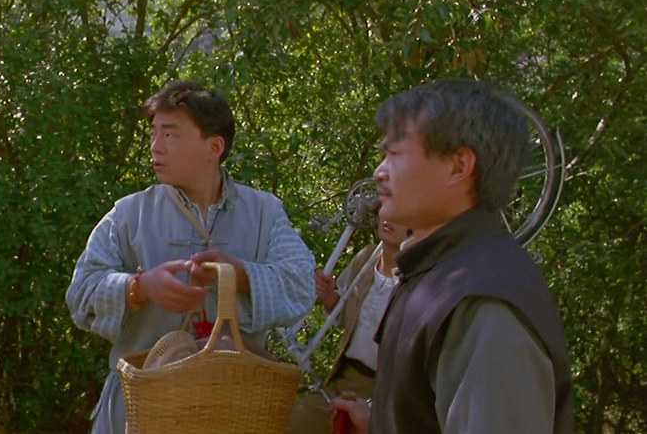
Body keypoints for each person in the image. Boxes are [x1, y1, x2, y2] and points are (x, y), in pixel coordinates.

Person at [65, 79, 317, 434]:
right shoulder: (128, 215)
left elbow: (301, 285)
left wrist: (239, 275)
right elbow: (81, 295)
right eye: (154, 133)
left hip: (235, 413)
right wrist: (139, 287)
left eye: (170, 135)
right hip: (142, 409)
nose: (156, 146)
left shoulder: (265, 213)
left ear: (214, 147)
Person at [330, 79, 574, 434]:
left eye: (395, 154)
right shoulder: (435, 271)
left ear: (459, 166)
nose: (379, 171)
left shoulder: (483, 301)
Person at [289, 219, 409, 434]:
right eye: (387, 207)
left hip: (386, 392)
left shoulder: (421, 278)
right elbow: (345, 316)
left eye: (402, 215)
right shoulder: (367, 259)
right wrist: (329, 297)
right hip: (344, 378)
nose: (390, 218)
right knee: (294, 423)